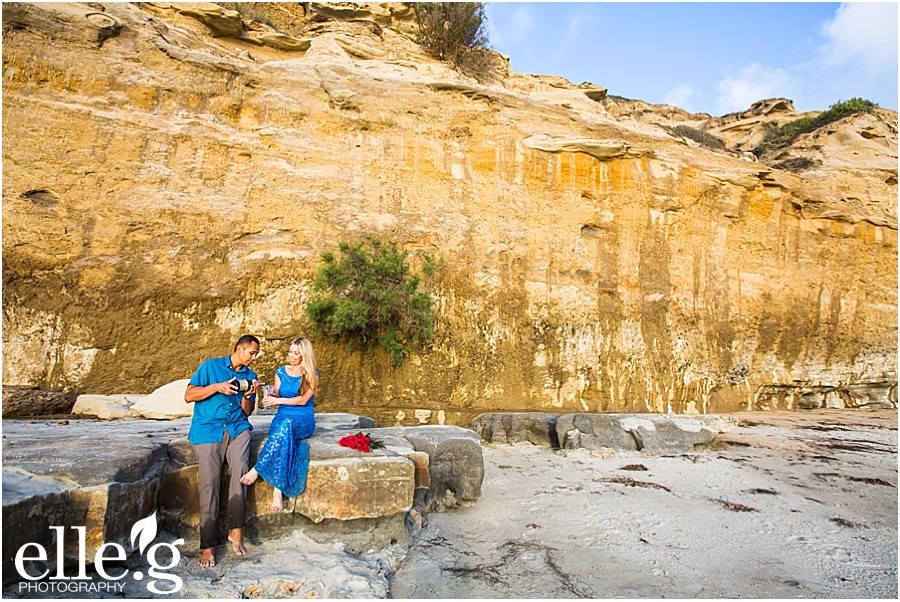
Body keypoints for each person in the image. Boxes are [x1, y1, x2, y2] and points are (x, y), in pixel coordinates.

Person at [184, 334, 260, 568]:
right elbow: (189, 395)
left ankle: (236, 531)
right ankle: (208, 545)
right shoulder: (211, 366)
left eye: (256, 354)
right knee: (210, 482)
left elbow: (246, 411)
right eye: (252, 353)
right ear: (239, 349)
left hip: (237, 428)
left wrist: (248, 396)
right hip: (208, 429)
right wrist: (217, 387)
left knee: (241, 472)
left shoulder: (250, 376)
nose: (254, 358)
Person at [240, 337, 319, 513]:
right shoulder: (281, 372)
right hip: (282, 417)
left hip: (303, 419)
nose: (291, 356)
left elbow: (303, 400)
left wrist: (280, 399)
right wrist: (268, 400)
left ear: (304, 355)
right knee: (285, 431)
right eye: (290, 352)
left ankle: (258, 469)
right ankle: (277, 491)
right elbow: (275, 395)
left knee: (287, 427)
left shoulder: (312, 373)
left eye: (296, 353)